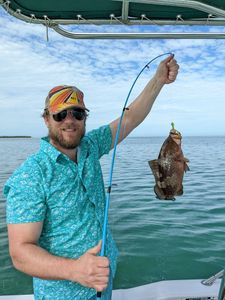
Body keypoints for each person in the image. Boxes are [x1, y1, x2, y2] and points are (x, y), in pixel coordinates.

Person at [4, 54, 179, 300]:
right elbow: (20, 252)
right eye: (60, 114)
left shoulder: (90, 147)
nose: (70, 121)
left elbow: (129, 118)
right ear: (46, 119)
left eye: (77, 113)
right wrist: (74, 270)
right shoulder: (30, 176)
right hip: (63, 294)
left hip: (102, 283)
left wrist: (158, 80)